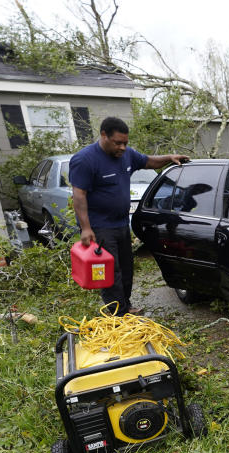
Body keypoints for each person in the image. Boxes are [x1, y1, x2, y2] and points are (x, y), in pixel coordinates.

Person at [69, 117, 189, 316]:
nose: (123, 147)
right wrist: (86, 228)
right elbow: (79, 196)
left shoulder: (126, 154)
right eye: (118, 143)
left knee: (126, 268)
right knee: (111, 272)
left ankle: (125, 305)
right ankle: (117, 314)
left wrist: (169, 157)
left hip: (122, 224)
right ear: (104, 136)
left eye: (125, 143)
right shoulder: (85, 160)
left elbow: (148, 161)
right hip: (100, 226)